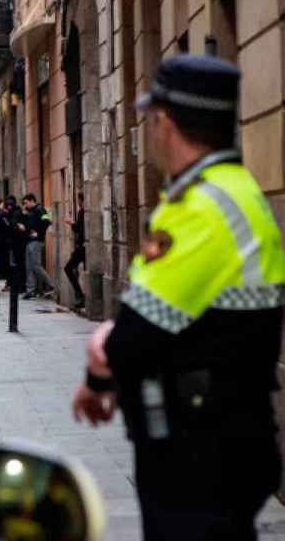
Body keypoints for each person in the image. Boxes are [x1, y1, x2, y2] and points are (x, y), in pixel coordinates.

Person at [71, 55, 285, 540]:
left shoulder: (202, 207)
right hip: (227, 438)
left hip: (199, 451)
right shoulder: (237, 190)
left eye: (150, 119)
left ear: (166, 122)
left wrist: (100, 358)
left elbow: (139, 331)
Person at [21, 194, 55, 300]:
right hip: (29, 241)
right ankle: (30, 290)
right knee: (29, 266)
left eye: (26, 202)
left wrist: (39, 234)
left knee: (36, 265)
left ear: (32, 201)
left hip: (36, 241)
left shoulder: (40, 209)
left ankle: (50, 285)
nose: (25, 205)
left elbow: (47, 221)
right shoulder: (31, 211)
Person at [63, 192, 87, 310]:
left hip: (82, 247)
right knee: (72, 268)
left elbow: (79, 229)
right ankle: (81, 296)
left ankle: (80, 295)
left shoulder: (83, 211)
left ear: (80, 200)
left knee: (68, 268)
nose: (78, 202)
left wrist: (71, 223)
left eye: (78, 200)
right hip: (83, 246)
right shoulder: (83, 211)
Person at [4, 195, 28, 294]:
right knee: (17, 265)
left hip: (18, 243)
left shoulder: (16, 213)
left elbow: (12, 226)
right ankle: (18, 285)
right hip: (16, 243)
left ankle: (20, 286)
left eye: (10, 205)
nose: (9, 206)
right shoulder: (15, 212)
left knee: (18, 265)